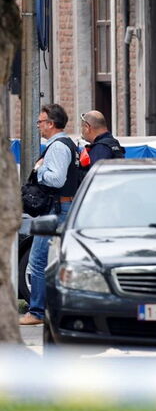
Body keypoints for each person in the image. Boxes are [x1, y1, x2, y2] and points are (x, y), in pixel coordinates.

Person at [20, 103, 82, 326]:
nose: (38, 126)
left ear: (51, 123)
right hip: (64, 207)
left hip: (56, 210)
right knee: (59, 260)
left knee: (37, 261)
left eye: (40, 121)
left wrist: (39, 169)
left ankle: (36, 312)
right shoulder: (67, 144)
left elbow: (57, 179)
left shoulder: (57, 147)